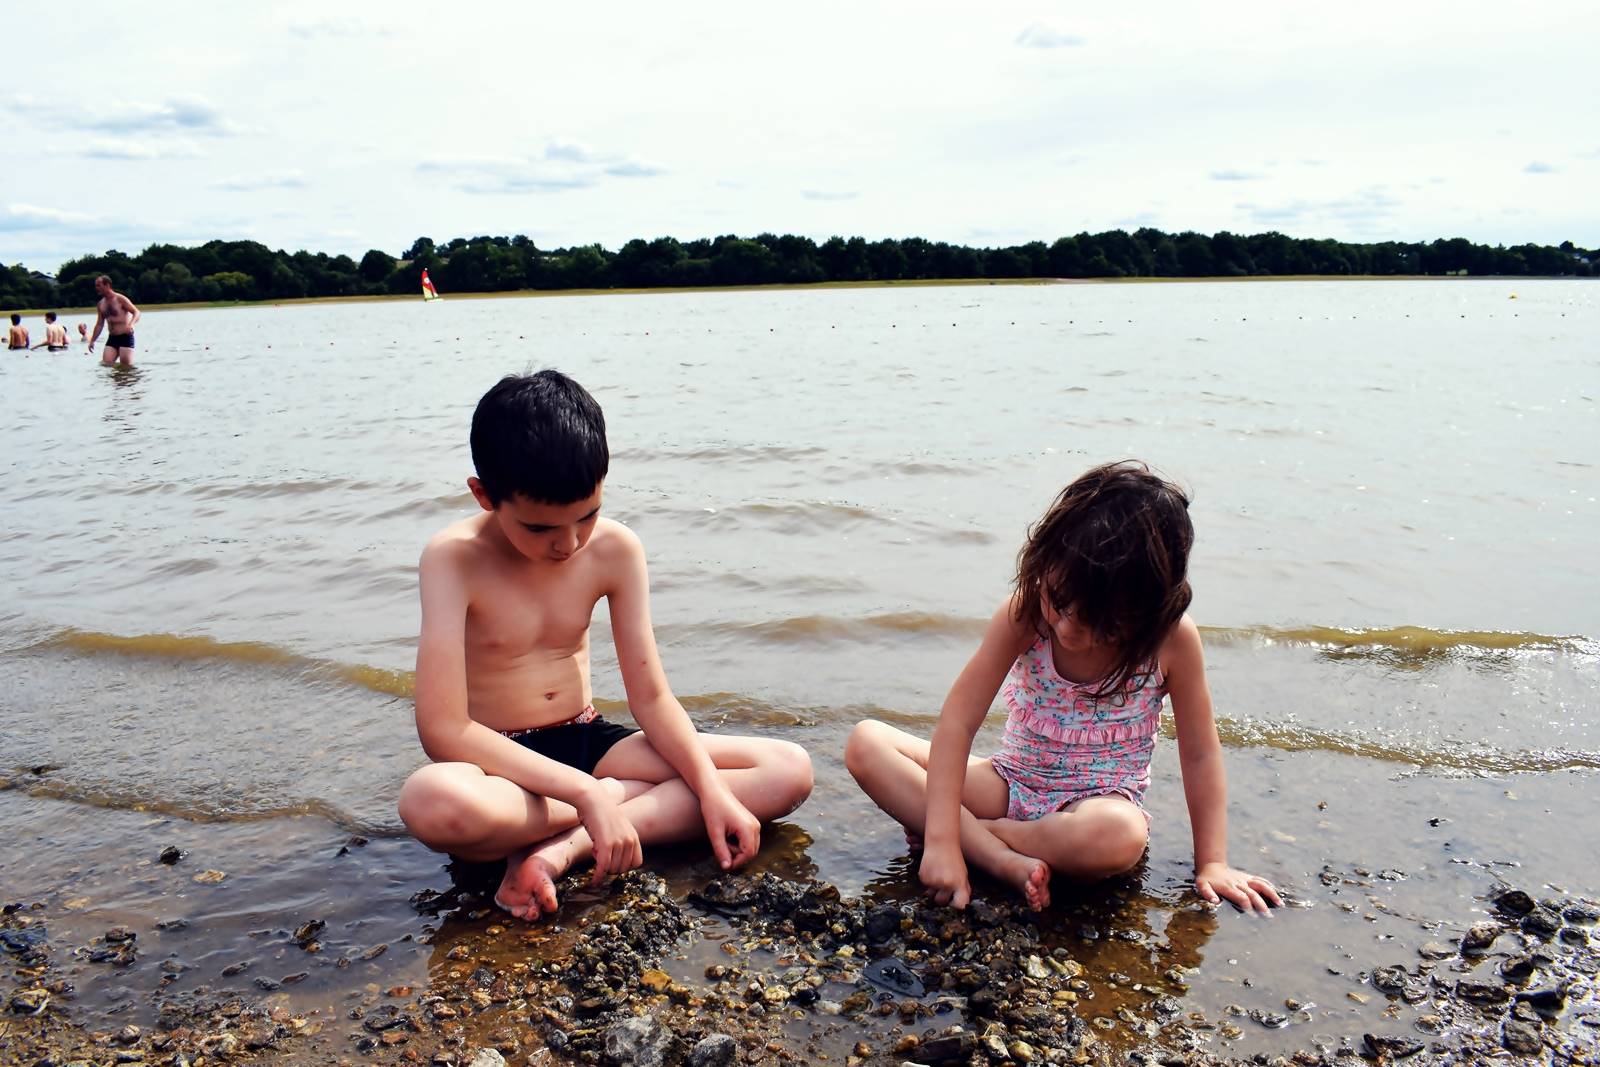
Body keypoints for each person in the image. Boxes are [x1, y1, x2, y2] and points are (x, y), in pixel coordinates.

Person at [397, 370, 814, 920]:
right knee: (432, 802)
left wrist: (711, 791)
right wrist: (590, 795)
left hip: (589, 739)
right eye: (540, 528)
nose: (568, 543)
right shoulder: (452, 559)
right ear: (483, 496)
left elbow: (652, 699)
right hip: (500, 765)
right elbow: (445, 730)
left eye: (587, 515)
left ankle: (564, 848)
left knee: (787, 768)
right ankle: (611, 809)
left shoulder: (616, 549)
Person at [845, 461, 1281, 914]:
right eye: (1060, 601)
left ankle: (982, 838)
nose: (1069, 628)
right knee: (867, 743)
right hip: (1010, 784)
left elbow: (1200, 754)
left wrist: (1212, 862)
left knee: (1121, 837)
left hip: (1095, 806)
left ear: (1145, 610)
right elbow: (959, 721)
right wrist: (938, 843)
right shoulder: (1026, 613)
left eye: (1097, 620)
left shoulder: (1172, 640)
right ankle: (991, 855)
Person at [87, 275, 140, 366]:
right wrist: (92, 340)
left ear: (107, 285)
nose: (96, 288)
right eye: (96, 285)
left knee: (126, 368)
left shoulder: (120, 299)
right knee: (106, 364)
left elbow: (136, 312)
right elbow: (99, 324)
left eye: (99, 285)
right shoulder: (100, 304)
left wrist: (131, 324)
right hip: (112, 338)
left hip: (125, 336)